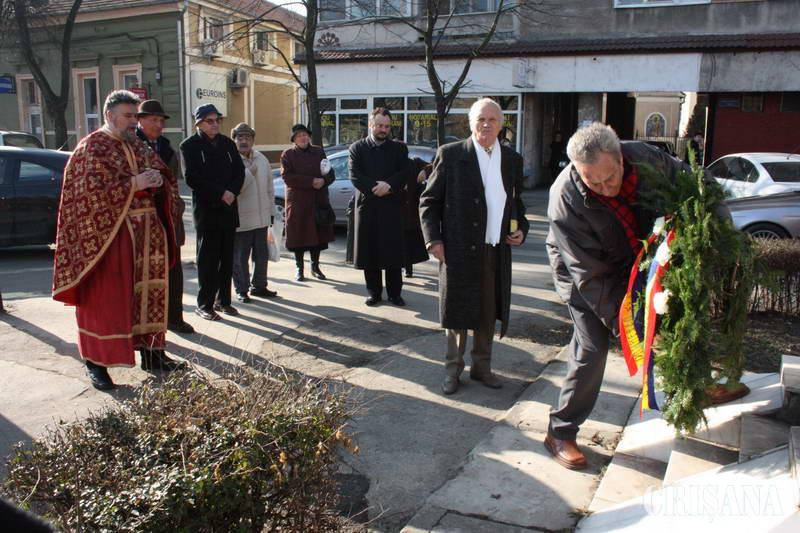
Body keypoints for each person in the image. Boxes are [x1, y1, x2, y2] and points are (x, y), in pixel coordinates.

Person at [545, 122, 689, 470]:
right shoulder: (565, 199)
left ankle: (695, 388)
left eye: (611, 178)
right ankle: (560, 431)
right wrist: (628, 328)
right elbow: (591, 278)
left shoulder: (646, 158)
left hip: (639, 255)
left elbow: (697, 186)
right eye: (593, 184)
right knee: (592, 346)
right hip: (582, 269)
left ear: (621, 158)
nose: (606, 189)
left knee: (680, 309)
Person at [52, 90, 183, 391]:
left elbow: (164, 174)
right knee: (107, 300)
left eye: (135, 116)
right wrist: (134, 183)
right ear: (110, 115)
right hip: (108, 239)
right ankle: (96, 363)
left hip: (147, 234)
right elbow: (87, 196)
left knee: (149, 295)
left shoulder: (137, 144)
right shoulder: (91, 147)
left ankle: (153, 352)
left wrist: (159, 182)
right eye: (128, 116)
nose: (133, 121)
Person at [419, 98, 528, 395]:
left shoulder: (511, 159)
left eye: (492, 119)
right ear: (470, 123)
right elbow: (429, 201)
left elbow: (516, 203)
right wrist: (433, 239)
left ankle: (482, 368)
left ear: (501, 125)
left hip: (495, 249)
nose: (486, 124)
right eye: (481, 119)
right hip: (457, 248)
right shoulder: (451, 154)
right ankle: (452, 370)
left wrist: (521, 229)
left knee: (487, 312)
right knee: (457, 314)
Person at [180, 104, 244, 321]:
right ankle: (205, 304)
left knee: (227, 258)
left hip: (228, 209)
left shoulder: (227, 144)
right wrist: (220, 193)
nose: (215, 124)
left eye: (217, 120)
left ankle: (224, 300)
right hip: (207, 211)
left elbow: (239, 171)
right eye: (210, 121)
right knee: (208, 260)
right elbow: (192, 178)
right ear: (198, 123)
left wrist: (232, 192)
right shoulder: (189, 146)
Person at [136, 99, 194, 334]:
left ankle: (174, 318)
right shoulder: (131, 146)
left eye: (161, 120)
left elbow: (173, 182)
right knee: (147, 273)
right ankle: (147, 325)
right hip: (144, 220)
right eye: (154, 120)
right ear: (140, 121)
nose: (159, 125)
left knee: (173, 269)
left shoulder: (166, 148)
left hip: (168, 218)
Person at [350, 108, 413, 306]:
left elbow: (405, 172)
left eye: (386, 126)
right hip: (367, 206)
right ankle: (374, 293)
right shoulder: (357, 148)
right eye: (379, 125)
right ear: (371, 125)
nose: (383, 129)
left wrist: (389, 186)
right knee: (370, 252)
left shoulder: (399, 149)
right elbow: (355, 176)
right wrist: (376, 188)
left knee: (393, 252)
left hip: (392, 207)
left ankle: (395, 294)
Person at [280, 124, 335, 281]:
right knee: (298, 237)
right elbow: (287, 177)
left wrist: (324, 180)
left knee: (317, 237)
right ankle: (299, 268)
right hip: (298, 203)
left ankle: (315, 267)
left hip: (317, 201)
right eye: (299, 136)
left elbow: (329, 172)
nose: (303, 138)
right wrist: (311, 181)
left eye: (305, 135)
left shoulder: (318, 151)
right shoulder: (288, 155)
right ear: (294, 140)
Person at [230, 123, 277, 302]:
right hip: (241, 220)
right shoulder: (231, 160)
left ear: (253, 140)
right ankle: (241, 289)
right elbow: (234, 189)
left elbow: (269, 188)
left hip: (261, 218)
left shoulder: (261, 159)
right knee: (240, 257)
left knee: (261, 256)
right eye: (240, 138)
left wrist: (271, 211)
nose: (244, 141)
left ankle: (259, 286)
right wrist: (248, 173)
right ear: (234, 140)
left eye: (248, 138)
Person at [403, 158, 432, 278]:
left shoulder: (414, 162)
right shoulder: (390, 162)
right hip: (395, 211)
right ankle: (403, 267)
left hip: (411, 211)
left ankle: (408, 269)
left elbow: (433, 166)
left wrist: (424, 171)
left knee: (409, 240)